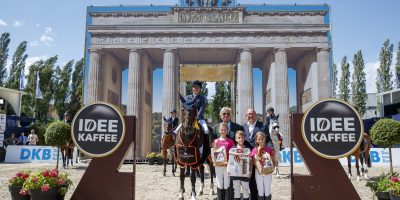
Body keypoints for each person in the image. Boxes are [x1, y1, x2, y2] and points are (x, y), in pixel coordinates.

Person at [242, 108, 269, 200]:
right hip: (248, 159)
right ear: (246, 116)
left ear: (256, 115)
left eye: (252, 114)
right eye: (248, 114)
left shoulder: (262, 126)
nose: (250, 116)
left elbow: (268, 140)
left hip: (260, 158)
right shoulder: (243, 126)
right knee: (251, 181)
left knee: (262, 182)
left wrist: (271, 151)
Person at [212, 122, 235, 200]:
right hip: (218, 166)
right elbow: (213, 153)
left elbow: (233, 153)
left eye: (224, 130)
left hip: (227, 165)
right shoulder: (215, 141)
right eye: (221, 130)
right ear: (219, 130)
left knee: (227, 183)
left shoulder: (230, 141)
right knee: (219, 183)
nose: (223, 131)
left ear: (227, 130)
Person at [250, 132, 274, 200]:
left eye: (262, 139)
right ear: (256, 140)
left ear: (265, 139)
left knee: (267, 190)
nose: (260, 141)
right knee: (260, 190)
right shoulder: (254, 150)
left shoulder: (269, 149)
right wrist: (256, 156)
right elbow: (253, 162)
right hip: (258, 172)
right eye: (259, 139)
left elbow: (272, 160)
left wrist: (272, 167)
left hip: (268, 172)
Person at [231, 130, 252, 200]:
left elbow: (251, 161)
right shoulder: (232, 149)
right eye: (239, 138)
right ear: (236, 139)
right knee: (236, 190)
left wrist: (250, 170)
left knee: (245, 189)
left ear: (244, 138)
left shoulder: (247, 149)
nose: (241, 139)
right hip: (235, 173)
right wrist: (229, 170)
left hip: (244, 173)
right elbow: (230, 161)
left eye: (242, 138)